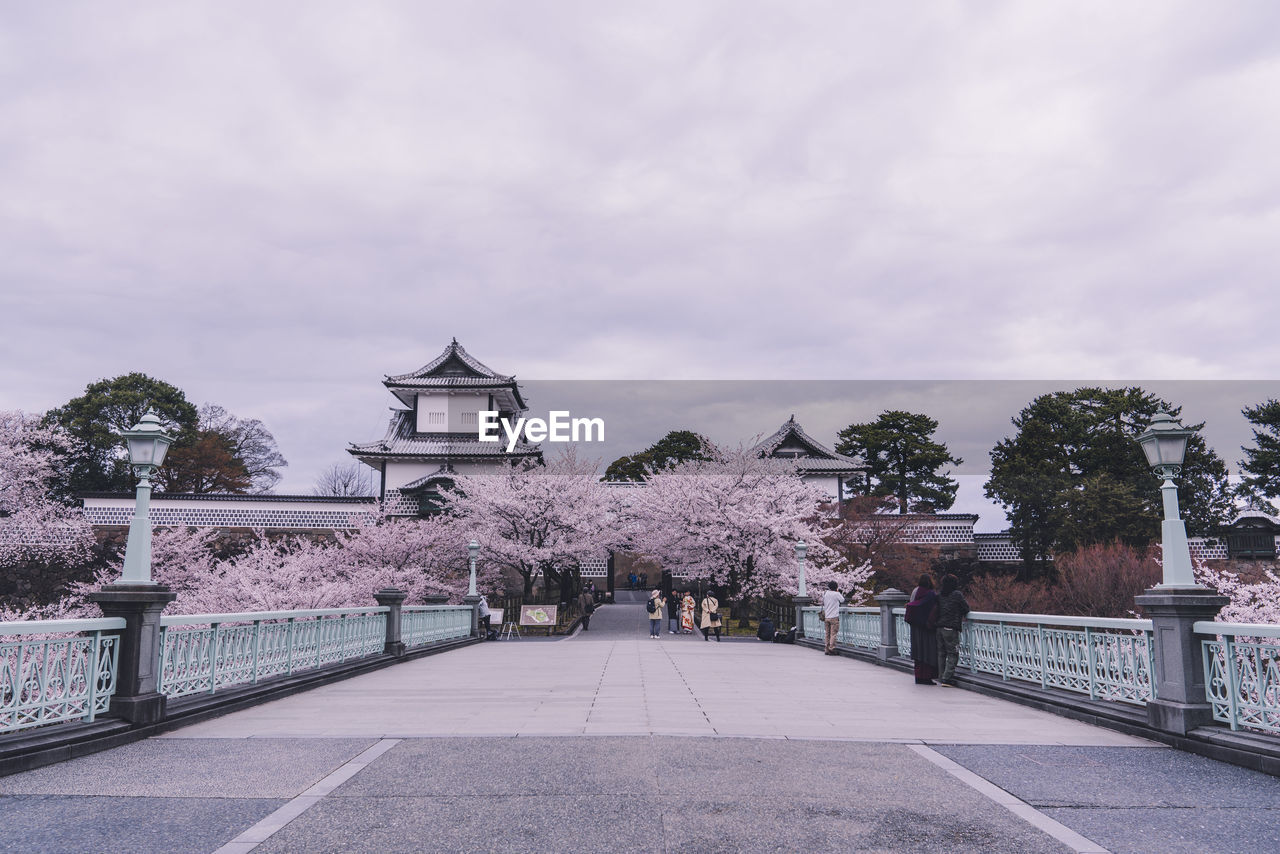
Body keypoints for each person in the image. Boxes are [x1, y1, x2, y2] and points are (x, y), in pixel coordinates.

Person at [905, 573, 940, 684]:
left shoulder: (916, 591)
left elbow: (911, 603)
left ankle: (918, 676)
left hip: (915, 627)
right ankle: (927, 677)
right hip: (927, 627)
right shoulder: (931, 594)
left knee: (918, 652)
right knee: (928, 652)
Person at [935, 573, 969, 686]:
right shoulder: (957, 595)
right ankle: (947, 678)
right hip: (951, 628)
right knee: (953, 653)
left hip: (939, 628)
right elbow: (966, 608)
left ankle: (941, 676)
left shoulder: (939, 595)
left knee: (941, 653)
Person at [821, 580, 845, 655]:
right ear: (836, 587)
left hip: (826, 616)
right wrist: (838, 592)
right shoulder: (836, 594)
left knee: (827, 634)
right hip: (834, 616)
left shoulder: (825, 593)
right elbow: (842, 600)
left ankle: (826, 649)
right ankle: (832, 648)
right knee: (833, 633)